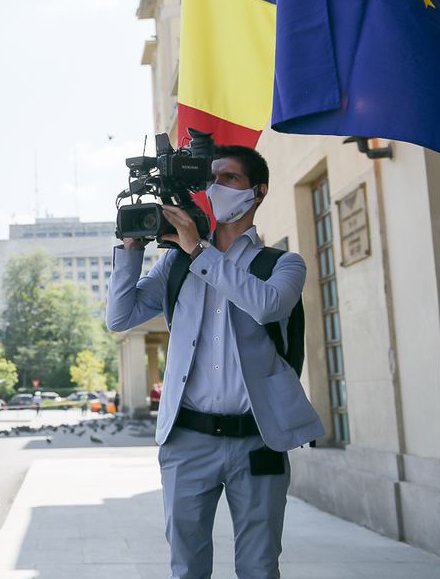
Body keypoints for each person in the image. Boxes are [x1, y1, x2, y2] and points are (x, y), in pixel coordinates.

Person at [106, 145, 324, 579]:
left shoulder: (282, 264)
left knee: (260, 568)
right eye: (213, 179)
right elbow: (120, 316)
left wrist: (200, 251)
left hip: (258, 440)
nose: (217, 186)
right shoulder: (176, 265)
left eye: (230, 178)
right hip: (188, 441)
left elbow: (266, 306)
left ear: (257, 192)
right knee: (186, 568)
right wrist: (131, 249)